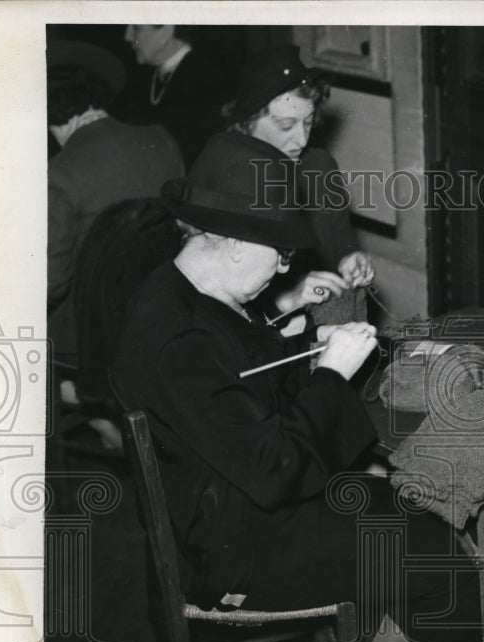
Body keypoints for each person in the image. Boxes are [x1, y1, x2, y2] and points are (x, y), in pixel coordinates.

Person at [111, 131, 484, 642]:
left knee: (410, 505)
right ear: (230, 243)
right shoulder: (180, 341)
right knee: (447, 557)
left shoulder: (176, 291)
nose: (284, 266)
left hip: (222, 510)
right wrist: (333, 374)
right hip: (232, 553)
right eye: (279, 254)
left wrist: (290, 329)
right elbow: (276, 469)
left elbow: (233, 386)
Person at [47, 39, 184, 443]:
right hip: (161, 314)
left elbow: (50, 284)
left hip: (92, 338)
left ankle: (103, 420)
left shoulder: (60, 173)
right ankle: (119, 429)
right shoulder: (162, 139)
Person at [223, 46, 374, 332]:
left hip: (315, 328)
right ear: (247, 121)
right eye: (286, 125)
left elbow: (338, 243)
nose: (302, 139)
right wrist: (287, 300)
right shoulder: (224, 181)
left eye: (307, 122)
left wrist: (349, 258)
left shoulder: (317, 166)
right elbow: (222, 317)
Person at [119, 25, 231, 168]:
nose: (127, 36)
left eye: (136, 28)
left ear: (165, 33)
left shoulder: (207, 79)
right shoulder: (143, 77)